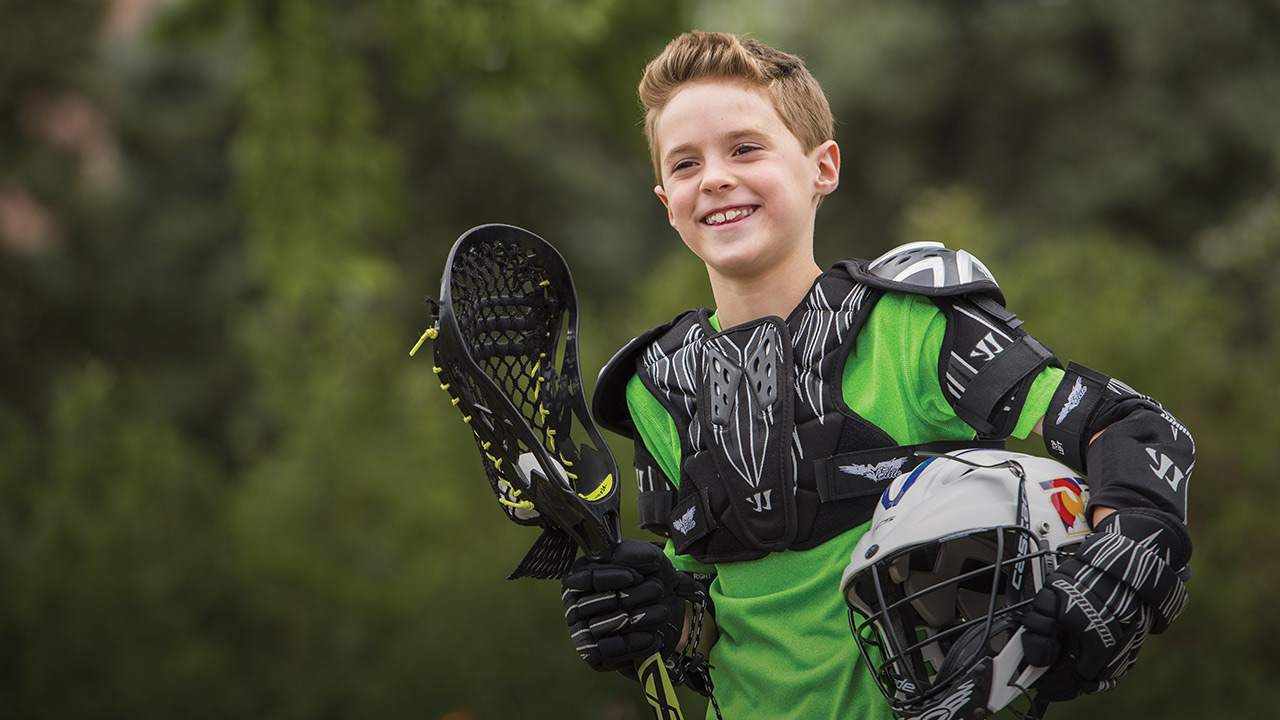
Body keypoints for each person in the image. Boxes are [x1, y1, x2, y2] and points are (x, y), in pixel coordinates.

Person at [559, 31, 1194, 720]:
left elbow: (1131, 427)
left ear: (822, 167)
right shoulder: (654, 387)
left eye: (745, 148)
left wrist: (1119, 562)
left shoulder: (909, 328)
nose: (714, 177)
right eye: (686, 164)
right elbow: (709, 635)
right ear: (666, 201)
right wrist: (656, 617)